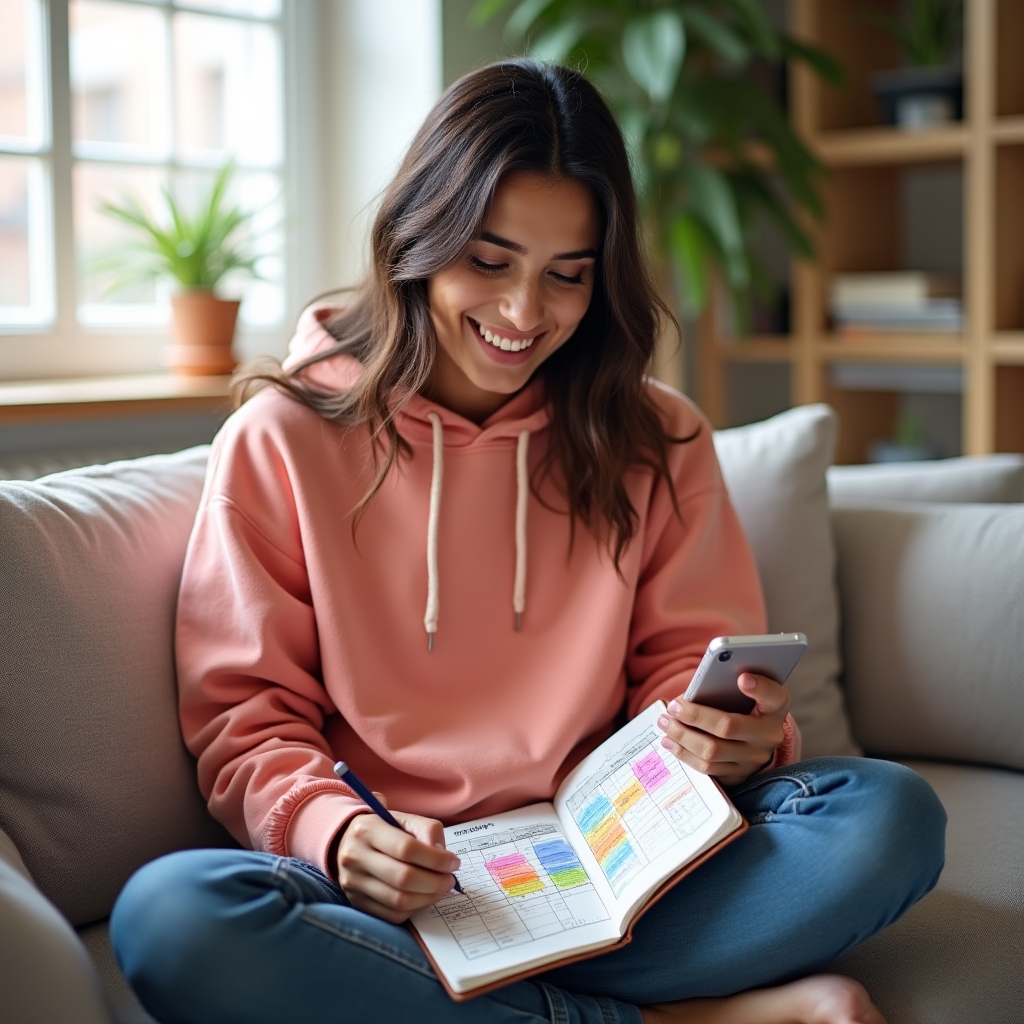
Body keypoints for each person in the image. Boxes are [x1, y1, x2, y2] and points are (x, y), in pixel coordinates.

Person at [110, 60, 945, 1024]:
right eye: (490, 261)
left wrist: (739, 740)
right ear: (420, 240)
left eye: (567, 276)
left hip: (623, 874)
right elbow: (246, 716)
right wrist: (336, 834)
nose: (522, 315)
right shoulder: (286, 439)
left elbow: (688, 667)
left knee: (887, 818)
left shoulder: (658, 437)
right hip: (406, 888)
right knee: (175, 915)